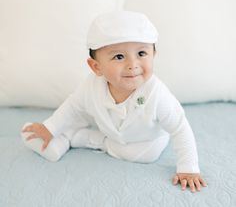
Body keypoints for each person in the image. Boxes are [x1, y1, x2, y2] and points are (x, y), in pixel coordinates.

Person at [21, 11, 207, 192]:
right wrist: (50, 127)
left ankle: (75, 137)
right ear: (96, 67)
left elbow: (180, 128)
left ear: (153, 55)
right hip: (109, 127)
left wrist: (188, 168)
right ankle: (58, 137)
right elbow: (73, 105)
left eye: (142, 53)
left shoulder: (157, 94)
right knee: (82, 112)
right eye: (119, 57)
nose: (132, 64)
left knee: (146, 154)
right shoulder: (92, 86)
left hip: (145, 139)